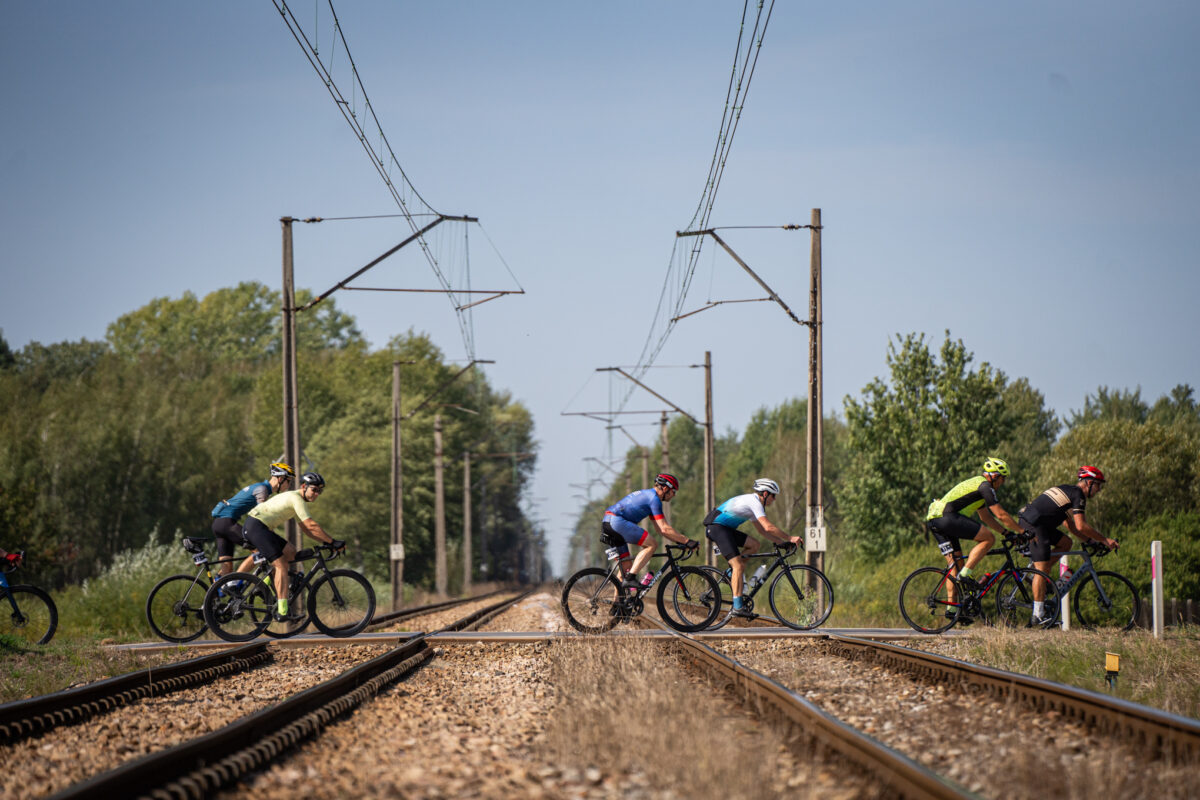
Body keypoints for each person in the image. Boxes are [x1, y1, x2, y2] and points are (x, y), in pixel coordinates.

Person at [924, 458, 1023, 622]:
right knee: (988, 539)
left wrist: (1006, 532)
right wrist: (1021, 531)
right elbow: (1000, 514)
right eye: (1002, 478)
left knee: (953, 566)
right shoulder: (985, 486)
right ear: (994, 476)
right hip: (948, 517)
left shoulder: (977, 486)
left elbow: (986, 518)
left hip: (935, 520)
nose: (1003, 483)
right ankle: (965, 574)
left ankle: (952, 610)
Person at [1019, 465, 1119, 624]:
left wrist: (1089, 541)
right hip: (1034, 525)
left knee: (1066, 543)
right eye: (1098, 485)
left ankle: (1036, 573)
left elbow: (1070, 526)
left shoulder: (1069, 491)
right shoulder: (1078, 494)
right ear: (1088, 483)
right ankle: (1038, 614)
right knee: (1043, 568)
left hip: (1039, 524)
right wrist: (1104, 540)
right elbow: (1081, 525)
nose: (1099, 490)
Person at [242, 471, 344, 621]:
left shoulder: (294, 499)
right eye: (314, 490)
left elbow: (307, 529)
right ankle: (282, 611)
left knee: (290, 552)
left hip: (259, 527)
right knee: (282, 565)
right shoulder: (296, 498)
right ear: (304, 486)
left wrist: (325, 542)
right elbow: (311, 525)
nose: (316, 494)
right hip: (257, 527)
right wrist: (332, 542)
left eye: (319, 491)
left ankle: (263, 585)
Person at [703, 478, 802, 617]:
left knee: (754, 545)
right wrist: (790, 538)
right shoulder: (754, 502)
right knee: (738, 566)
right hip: (717, 528)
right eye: (774, 496)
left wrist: (780, 542)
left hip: (725, 529)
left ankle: (732, 574)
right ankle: (737, 607)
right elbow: (768, 526)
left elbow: (762, 531)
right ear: (766, 493)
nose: (774, 500)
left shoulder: (753, 503)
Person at [601, 473, 697, 592]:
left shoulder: (648, 495)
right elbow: (664, 528)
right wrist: (688, 541)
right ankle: (631, 578)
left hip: (608, 521)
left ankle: (617, 606)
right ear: (665, 488)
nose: (674, 495)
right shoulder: (654, 499)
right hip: (617, 522)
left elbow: (660, 530)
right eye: (673, 491)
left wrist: (678, 540)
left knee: (626, 567)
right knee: (652, 544)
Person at [210, 462, 295, 577]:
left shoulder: (259, 487)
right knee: (262, 549)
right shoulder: (263, 490)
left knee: (226, 570)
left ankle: (215, 592)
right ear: (280, 479)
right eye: (288, 481)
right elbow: (263, 517)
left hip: (219, 524)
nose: (289, 485)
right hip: (227, 523)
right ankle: (235, 582)